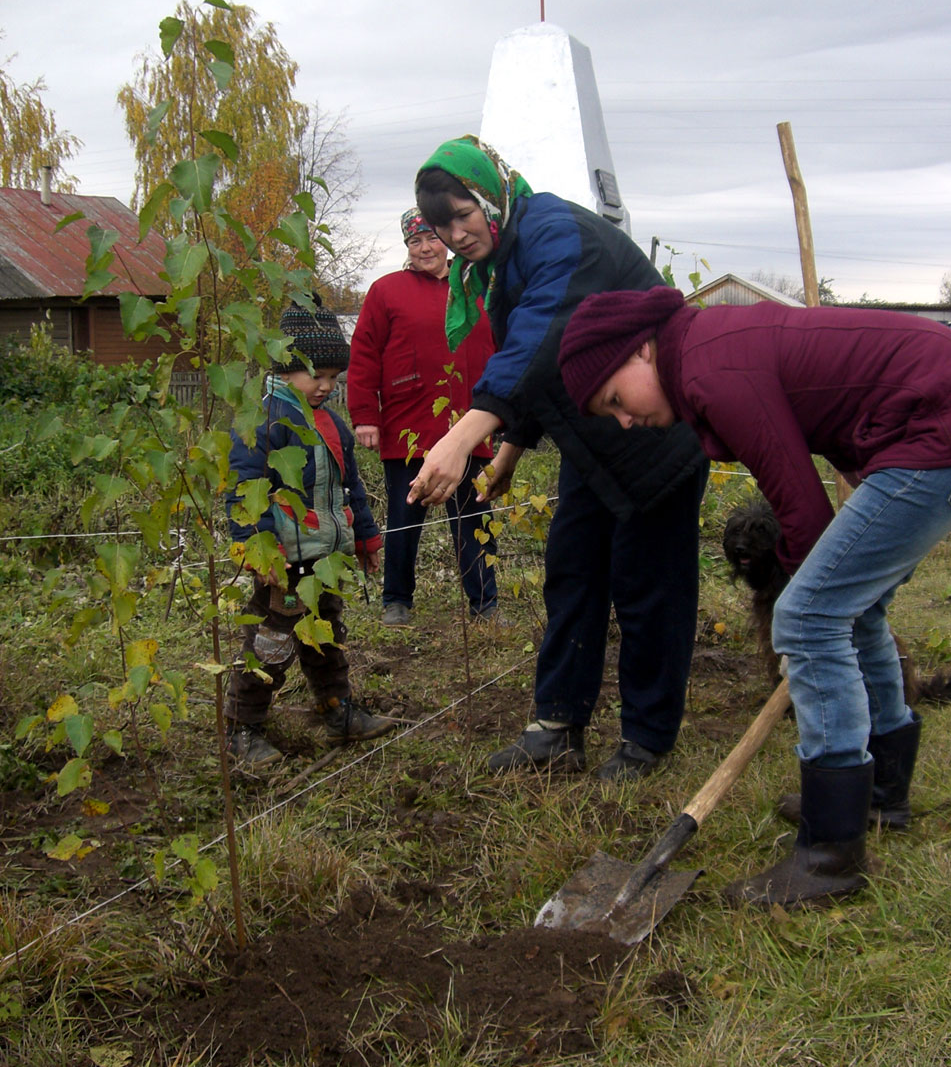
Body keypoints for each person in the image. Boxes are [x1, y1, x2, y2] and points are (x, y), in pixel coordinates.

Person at [557, 285, 951, 900]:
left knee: (813, 615)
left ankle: (829, 856)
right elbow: (829, 400)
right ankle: (880, 795)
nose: (626, 420)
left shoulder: (713, 371)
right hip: (946, 411)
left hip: (946, 420)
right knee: (852, 608)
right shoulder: (705, 352)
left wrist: (800, 600)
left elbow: (802, 512)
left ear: (640, 352)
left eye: (615, 400)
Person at [406, 136, 708, 782]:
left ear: (492, 195)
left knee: (648, 588)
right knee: (571, 571)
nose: (454, 235)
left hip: (653, 437)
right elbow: (550, 364)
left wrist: (466, 436)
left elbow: (544, 333)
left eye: (462, 214)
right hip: (592, 444)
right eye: (439, 225)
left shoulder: (556, 232)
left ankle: (647, 739)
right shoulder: (506, 256)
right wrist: (511, 450)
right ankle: (557, 725)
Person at [225, 296, 395, 767]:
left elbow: (350, 486)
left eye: (333, 379)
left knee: (326, 634)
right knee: (272, 642)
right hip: (283, 562)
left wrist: (365, 537)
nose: (325, 386)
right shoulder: (262, 423)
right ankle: (243, 727)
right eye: (315, 376)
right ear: (283, 368)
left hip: (326, 557)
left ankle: (336, 709)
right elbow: (244, 491)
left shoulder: (333, 425)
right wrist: (259, 552)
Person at [348, 207, 499, 626]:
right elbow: (363, 354)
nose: (426, 248)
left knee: (473, 515)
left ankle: (485, 601)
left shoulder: (476, 286)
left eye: (432, 238)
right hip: (408, 424)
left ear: (447, 241)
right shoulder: (386, 291)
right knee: (404, 518)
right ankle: (396, 599)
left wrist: (501, 410)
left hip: (469, 425)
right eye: (416, 241)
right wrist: (365, 415)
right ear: (407, 247)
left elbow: (498, 349)